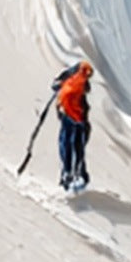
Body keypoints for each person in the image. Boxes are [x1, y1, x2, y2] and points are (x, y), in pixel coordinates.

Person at [53, 60, 92, 191]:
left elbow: (56, 86)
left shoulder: (71, 79)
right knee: (72, 146)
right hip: (73, 118)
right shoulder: (74, 79)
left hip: (71, 117)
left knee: (69, 145)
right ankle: (73, 176)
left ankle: (72, 176)